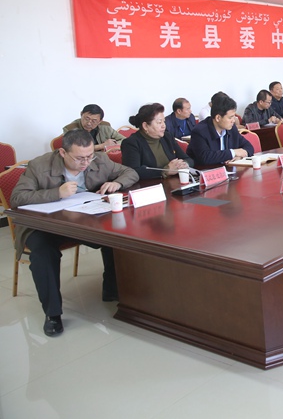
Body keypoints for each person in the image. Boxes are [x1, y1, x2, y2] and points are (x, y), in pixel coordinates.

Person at [10, 129, 139, 336]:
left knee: (116, 234)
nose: (86, 162)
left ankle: (111, 288)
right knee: (43, 253)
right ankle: (53, 314)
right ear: (63, 152)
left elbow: (130, 172)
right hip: (45, 225)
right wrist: (56, 193)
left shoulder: (99, 160)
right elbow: (17, 198)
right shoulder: (39, 165)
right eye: (80, 158)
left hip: (82, 219)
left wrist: (117, 182)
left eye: (89, 156)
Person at [121, 103, 194, 179]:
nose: (164, 126)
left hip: (173, 181)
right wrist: (165, 170)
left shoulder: (167, 137)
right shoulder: (131, 143)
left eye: (164, 121)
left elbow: (188, 159)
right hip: (150, 185)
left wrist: (184, 164)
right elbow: (133, 171)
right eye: (159, 122)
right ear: (145, 126)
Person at [187, 94, 253, 165]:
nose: (233, 121)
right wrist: (233, 152)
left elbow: (249, 147)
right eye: (230, 117)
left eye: (234, 117)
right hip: (206, 170)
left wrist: (239, 157)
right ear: (218, 118)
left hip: (227, 169)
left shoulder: (231, 128)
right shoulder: (199, 131)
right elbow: (205, 157)